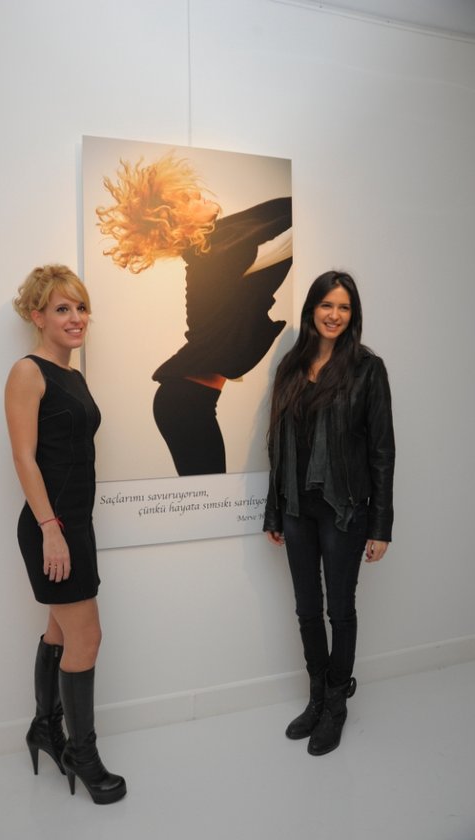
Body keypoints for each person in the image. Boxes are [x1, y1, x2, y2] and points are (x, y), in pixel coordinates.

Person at [5, 264, 126, 804]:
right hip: (51, 527)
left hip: (76, 523)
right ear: (38, 316)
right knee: (87, 638)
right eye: (62, 309)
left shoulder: (71, 375)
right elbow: (24, 457)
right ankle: (83, 754)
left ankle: (44, 729)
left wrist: (66, 526)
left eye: (80, 307)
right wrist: (51, 529)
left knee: (60, 633)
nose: (76, 318)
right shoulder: (28, 372)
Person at [263, 270, 395, 755]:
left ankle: (337, 704)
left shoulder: (367, 369)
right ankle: (317, 696)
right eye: (326, 305)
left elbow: (382, 451)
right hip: (297, 508)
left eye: (344, 307)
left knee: (340, 610)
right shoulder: (292, 366)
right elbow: (277, 444)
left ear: (352, 314)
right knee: (306, 609)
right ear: (312, 309)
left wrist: (380, 525)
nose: (334, 315)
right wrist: (274, 511)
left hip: (345, 510)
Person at [96, 152, 292, 475]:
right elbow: (285, 244)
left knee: (207, 491)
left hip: (187, 401)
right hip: (184, 402)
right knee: (208, 493)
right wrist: (311, 214)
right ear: (178, 222)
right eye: (188, 199)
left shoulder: (214, 253)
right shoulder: (216, 258)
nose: (199, 194)